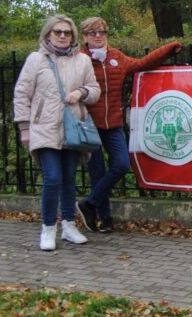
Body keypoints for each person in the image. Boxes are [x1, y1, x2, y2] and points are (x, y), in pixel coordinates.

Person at [75, 17, 182, 232]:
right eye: (93, 33)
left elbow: (142, 64)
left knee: (122, 165)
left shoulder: (116, 57)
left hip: (113, 124)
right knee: (97, 172)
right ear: (84, 36)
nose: (98, 36)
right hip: (89, 124)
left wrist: (169, 48)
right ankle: (104, 218)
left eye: (102, 32)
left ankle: (88, 204)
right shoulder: (78, 59)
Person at [13, 14, 101, 251]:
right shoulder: (36, 60)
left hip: (72, 126)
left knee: (69, 179)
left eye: (67, 32)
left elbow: (95, 90)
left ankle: (69, 226)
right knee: (52, 178)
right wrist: (24, 128)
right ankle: (48, 228)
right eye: (57, 32)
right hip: (45, 128)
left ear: (72, 36)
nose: (62, 36)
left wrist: (81, 93)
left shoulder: (82, 60)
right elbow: (22, 94)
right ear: (48, 34)